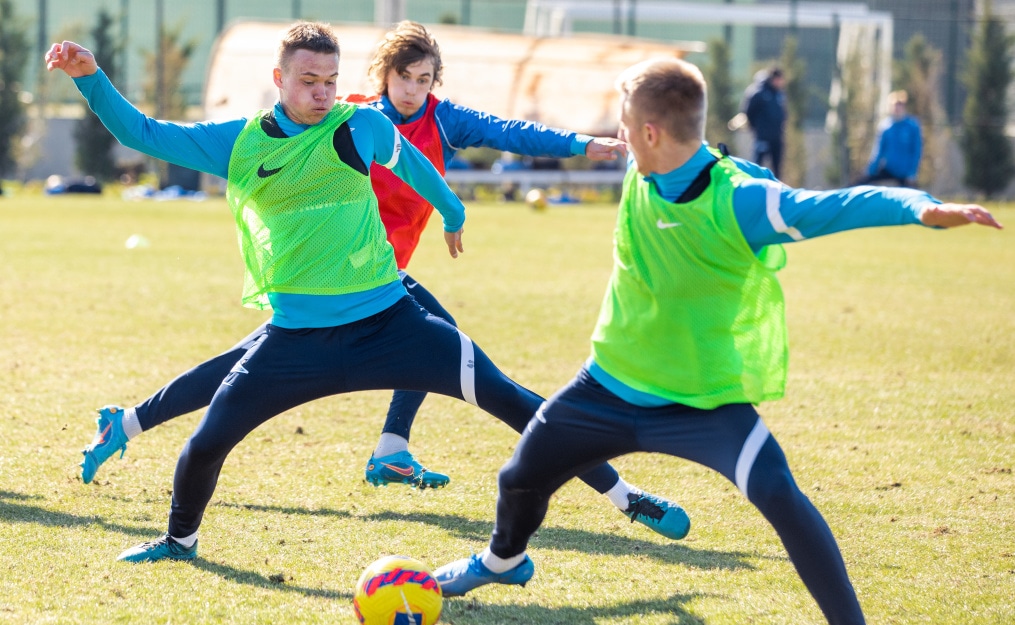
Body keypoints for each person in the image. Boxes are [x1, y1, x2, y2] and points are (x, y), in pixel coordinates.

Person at [433, 57, 1002, 625]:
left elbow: (839, 204)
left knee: (782, 498)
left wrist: (921, 208)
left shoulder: (744, 200)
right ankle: (503, 561)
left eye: (625, 127)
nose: (619, 138)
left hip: (703, 403)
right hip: (606, 386)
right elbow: (546, 134)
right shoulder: (640, 161)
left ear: (651, 133)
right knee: (519, 478)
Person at [49, 22, 689, 563]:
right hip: (295, 338)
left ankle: (629, 499)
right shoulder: (238, 142)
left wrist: (455, 212)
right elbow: (142, 134)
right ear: (279, 79)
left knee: (515, 400)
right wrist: (89, 77)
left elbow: (415, 164)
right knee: (206, 442)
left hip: (390, 321)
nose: (322, 93)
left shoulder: (358, 126)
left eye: (330, 81)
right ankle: (178, 541)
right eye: (308, 81)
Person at [855, 90, 922, 187]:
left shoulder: (912, 126)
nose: (897, 108)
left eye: (900, 105)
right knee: (860, 183)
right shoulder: (885, 127)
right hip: (889, 169)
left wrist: (912, 173)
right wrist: (870, 171)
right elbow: (878, 151)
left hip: (905, 173)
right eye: (895, 105)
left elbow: (916, 151)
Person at [742, 66, 786, 178]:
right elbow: (749, 111)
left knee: (777, 167)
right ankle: (755, 186)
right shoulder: (759, 93)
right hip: (763, 136)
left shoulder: (778, 94)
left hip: (777, 136)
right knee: (758, 164)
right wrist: (756, 127)